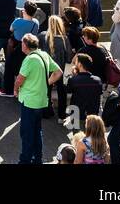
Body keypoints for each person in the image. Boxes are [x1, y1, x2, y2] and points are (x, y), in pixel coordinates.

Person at [15, 33, 61, 164]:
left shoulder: (29, 59)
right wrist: (46, 82)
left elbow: (19, 79)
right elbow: (58, 72)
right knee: (37, 131)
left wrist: (15, 90)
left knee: (27, 133)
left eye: (22, 43)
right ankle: (37, 158)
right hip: (41, 101)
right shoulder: (44, 54)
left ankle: (25, 160)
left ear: (25, 45)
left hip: (30, 101)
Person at [1, 0, 41, 97]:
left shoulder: (17, 21)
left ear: (25, 11)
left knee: (9, 67)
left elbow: (11, 30)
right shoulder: (36, 22)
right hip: (29, 48)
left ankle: (8, 91)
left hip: (17, 47)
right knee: (24, 68)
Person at [39, 14, 70, 120]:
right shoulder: (64, 39)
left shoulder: (43, 36)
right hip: (60, 70)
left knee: (46, 90)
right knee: (62, 93)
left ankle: (46, 112)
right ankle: (62, 115)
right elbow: (69, 57)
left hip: (46, 68)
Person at [67, 53, 103, 124]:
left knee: (77, 134)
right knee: (91, 134)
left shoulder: (73, 80)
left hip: (76, 114)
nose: (75, 64)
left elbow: (68, 91)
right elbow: (100, 96)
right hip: (92, 115)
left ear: (80, 64)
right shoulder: (97, 80)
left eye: (76, 62)